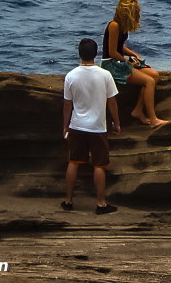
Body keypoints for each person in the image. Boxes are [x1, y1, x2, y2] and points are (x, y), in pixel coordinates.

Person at [63, 37, 121, 215]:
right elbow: (112, 102)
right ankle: (101, 203)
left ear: (79, 54)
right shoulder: (105, 75)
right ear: (95, 54)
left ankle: (68, 201)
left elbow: (67, 104)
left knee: (73, 162)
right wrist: (117, 123)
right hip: (97, 127)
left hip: (77, 125)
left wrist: (65, 126)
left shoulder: (71, 76)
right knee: (99, 165)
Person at [100, 0, 169, 127]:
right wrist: (127, 61)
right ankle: (153, 118)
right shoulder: (114, 25)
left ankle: (138, 110)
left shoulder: (122, 27)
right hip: (111, 64)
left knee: (154, 75)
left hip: (120, 61)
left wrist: (132, 54)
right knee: (149, 81)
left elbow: (120, 47)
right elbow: (112, 52)